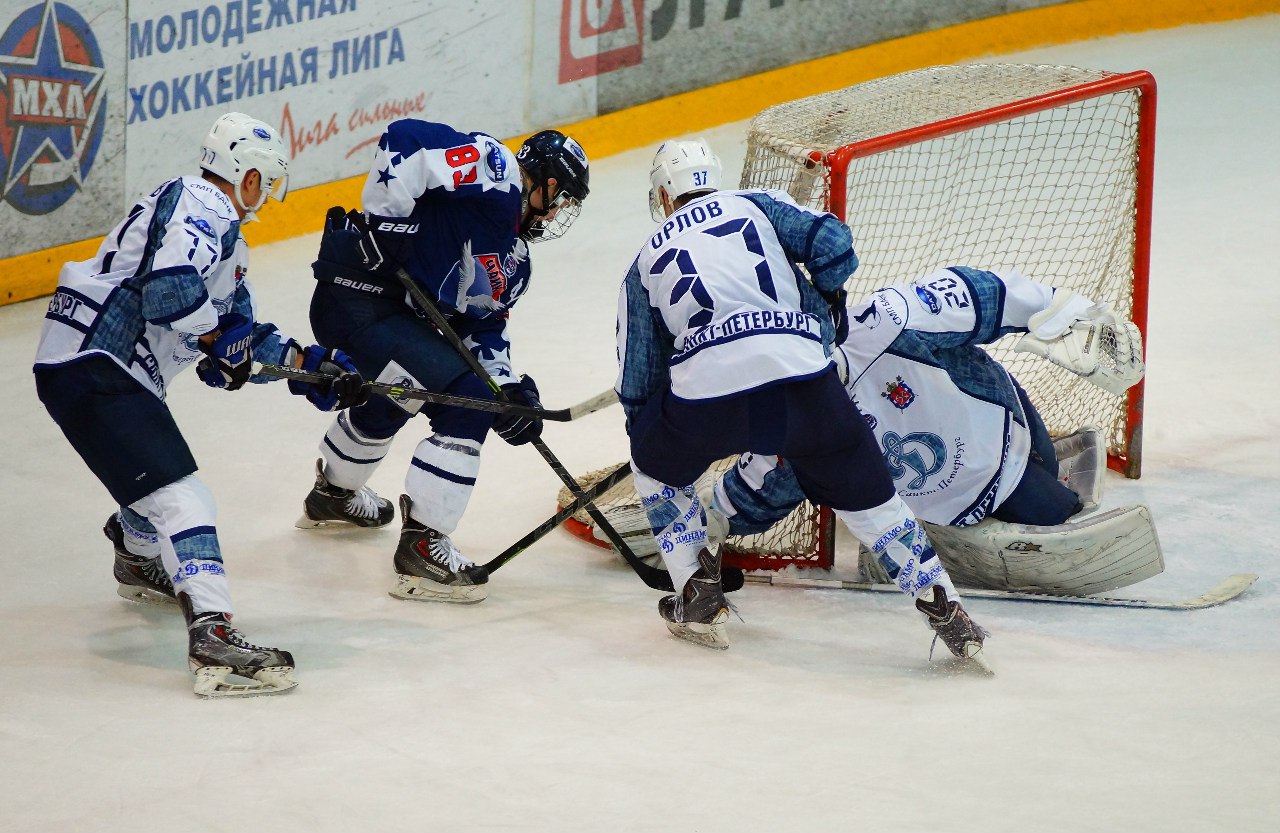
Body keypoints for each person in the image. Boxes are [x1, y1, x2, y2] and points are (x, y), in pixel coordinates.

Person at [616, 138, 989, 670]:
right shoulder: (757, 203)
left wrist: (655, 435)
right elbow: (836, 245)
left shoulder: (643, 260)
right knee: (877, 509)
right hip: (805, 384)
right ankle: (950, 615)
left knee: (654, 468)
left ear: (663, 194)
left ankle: (697, 592)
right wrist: (827, 303)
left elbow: (638, 378)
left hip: (708, 398)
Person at [33, 112, 367, 698]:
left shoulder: (225, 243)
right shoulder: (198, 201)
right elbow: (169, 292)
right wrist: (219, 337)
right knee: (184, 497)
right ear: (244, 173)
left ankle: (137, 556)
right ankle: (212, 638)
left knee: (154, 488)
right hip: (96, 361)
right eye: (264, 178)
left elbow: (231, 349)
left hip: (101, 370)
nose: (266, 193)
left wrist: (311, 368)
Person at [295, 120, 589, 605]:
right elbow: (406, 139)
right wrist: (385, 225)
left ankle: (333, 494)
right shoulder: (496, 173)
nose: (559, 213)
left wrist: (508, 391)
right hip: (357, 300)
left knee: (412, 391)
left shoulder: (516, 259)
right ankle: (423, 549)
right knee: (465, 403)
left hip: (389, 320)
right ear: (548, 182)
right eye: (563, 199)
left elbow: (482, 327)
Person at [703, 266, 1145, 549]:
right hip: (949, 500)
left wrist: (1069, 312)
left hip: (1005, 433)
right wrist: (705, 522)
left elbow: (987, 295)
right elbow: (763, 486)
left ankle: (1047, 461)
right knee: (1057, 512)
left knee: (1052, 493)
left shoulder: (893, 318)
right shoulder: (788, 412)